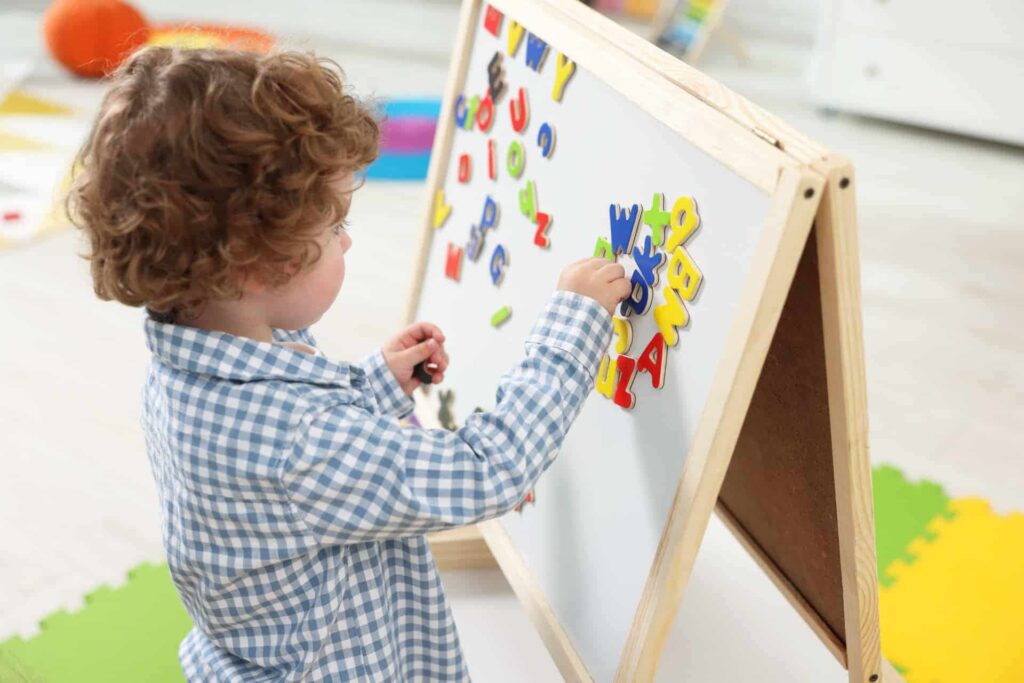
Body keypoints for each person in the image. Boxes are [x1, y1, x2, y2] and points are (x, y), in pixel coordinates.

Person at [69, 46, 630, 681]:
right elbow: (486, 471)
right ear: (259, 264)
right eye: (334, 223)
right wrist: (573, 325)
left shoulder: (187, 361)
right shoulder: (300, 443)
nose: (348, 237)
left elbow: (289, 472)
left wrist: (375, 384)